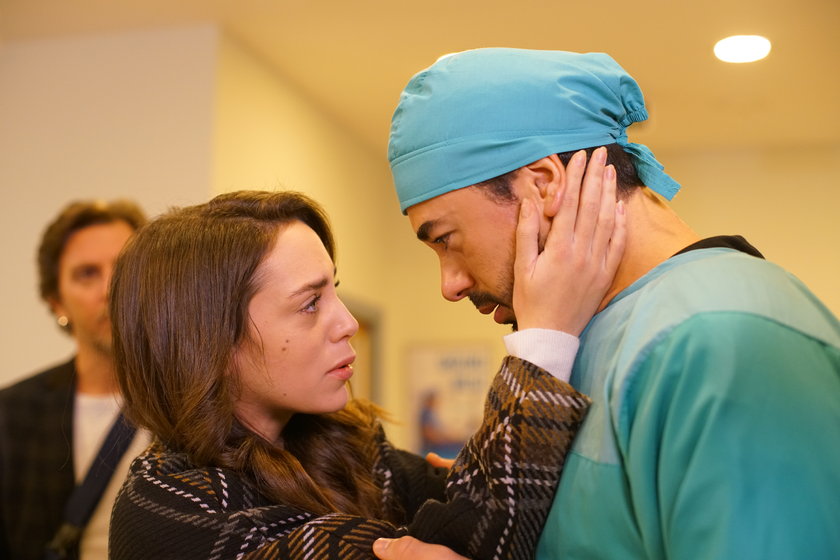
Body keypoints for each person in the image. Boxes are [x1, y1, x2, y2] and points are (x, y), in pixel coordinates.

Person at [381, 48, 840, 559]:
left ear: (543, 185)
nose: (449, 285)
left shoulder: (727, 337)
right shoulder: (581, 341)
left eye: (445, 239)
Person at [107, 183, 624, 559]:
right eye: (310, 304)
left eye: (334, 291)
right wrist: (545, 336)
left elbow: (478, 508)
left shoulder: (349, 447)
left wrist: (479, 488)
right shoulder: (171, 509)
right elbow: (479, 537)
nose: (348, 323)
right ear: (210, 341)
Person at [0, 200, 150, 560]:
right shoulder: (11, 414)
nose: (110, 288)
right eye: (87, 273)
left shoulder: (199, 403)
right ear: (57, 302)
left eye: (124, 268)